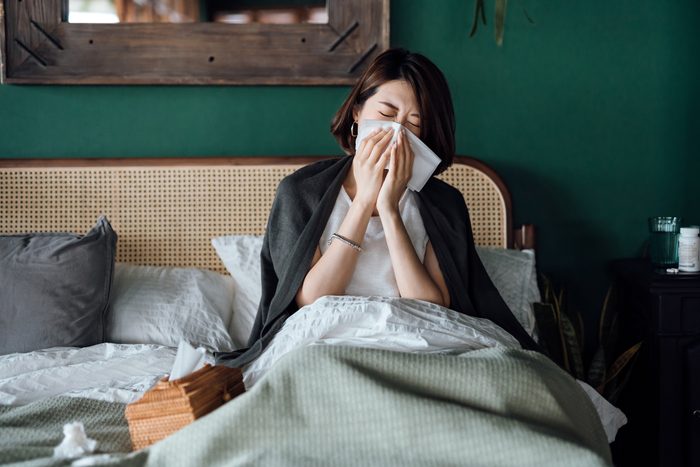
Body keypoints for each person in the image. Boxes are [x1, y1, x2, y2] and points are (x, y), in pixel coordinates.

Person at [216, 48, 538, 368]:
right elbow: (313, 299)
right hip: (325, 344)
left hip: (418, 342)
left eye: (414, 124)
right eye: (386, 114)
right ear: (357, 112)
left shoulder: (444, 204)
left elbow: (431, 304)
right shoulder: (300, 193)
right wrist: (364, 200)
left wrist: (389, 208)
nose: (398, 133)